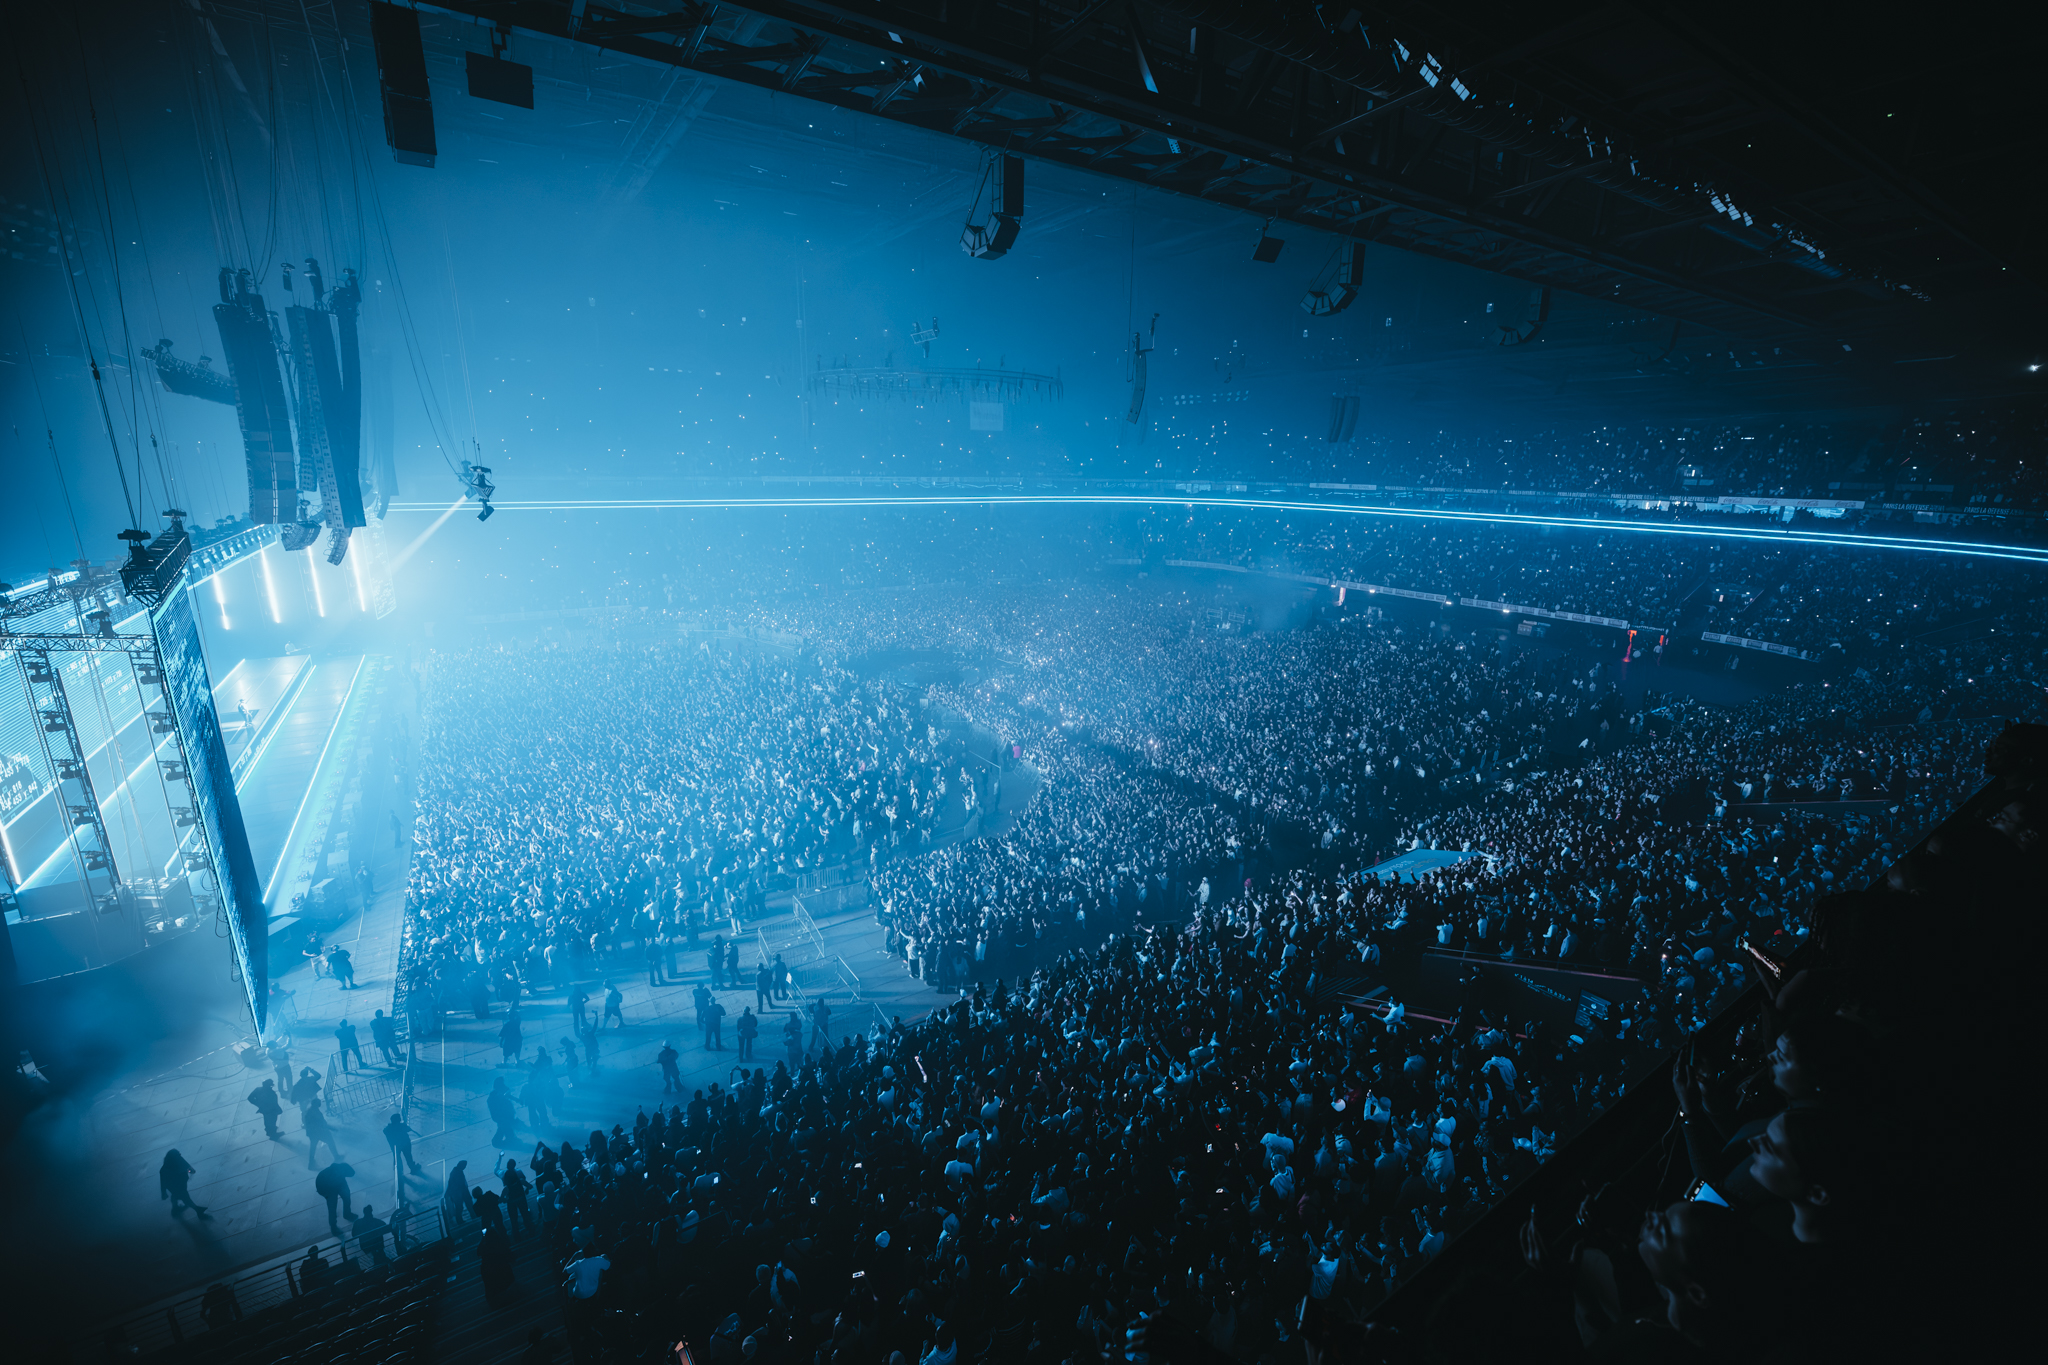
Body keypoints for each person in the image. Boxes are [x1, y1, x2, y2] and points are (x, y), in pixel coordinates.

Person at [160, 1149, 208, 1218]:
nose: (180, 1156)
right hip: (177, 1186)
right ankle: (197, 1210)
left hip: (178, 1184)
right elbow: (163, 1182)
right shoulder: (169, 1167)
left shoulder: (172, 1163)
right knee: (185, 1197)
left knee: (176, 1195)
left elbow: (163, 1182)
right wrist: (190, 1170)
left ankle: (175, 1209)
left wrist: (163, 1193)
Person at [315, 1161, 357, 1235]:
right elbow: (320, 1188)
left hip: (337, 1184)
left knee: (346, 1197)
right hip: (329, 1189)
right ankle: (334, 1227)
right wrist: (327, 1195)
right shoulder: (327, 1175)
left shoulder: (339, 1171)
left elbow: (351, 1173)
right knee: (332, 1208)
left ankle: (347, 1214)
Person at [481, 1220, 516, 1303]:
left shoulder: (485, 1250)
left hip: (493, 1291)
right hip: (505, 1281)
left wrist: (483, 1238)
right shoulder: (500, 1246)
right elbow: (510, 1257)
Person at [304, 1099, 344, 1169]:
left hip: (312, 1133)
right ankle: (336, 1156)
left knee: (313, 1148)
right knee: (330, 1142)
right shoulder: (316, 1112)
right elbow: (322, 1123)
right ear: (317, 1104)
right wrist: (332, 1128)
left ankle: (311, 1163)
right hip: (319, 1132)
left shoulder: (309, 1110)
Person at [489, 1077, 519, 1145]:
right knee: (505, 1126)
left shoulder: (500, 1092)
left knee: (504, 1127)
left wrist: (517, 1100)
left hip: (504, 1115)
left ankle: (507, 1138)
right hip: (501, 1116)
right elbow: (495, 1108)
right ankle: (508, 1139)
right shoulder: (494, 1096)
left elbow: (508, 1095)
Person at [445, 1159, 474, 1227]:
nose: (465, 1167)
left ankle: (460, 1220)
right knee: (463, 1207)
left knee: (460, 1207)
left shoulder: (456, 1171)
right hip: (460, 1194)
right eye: (464, 1166)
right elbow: (460, 1184)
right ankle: (462, 1220)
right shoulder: (457, 1172)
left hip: (459, 1194)